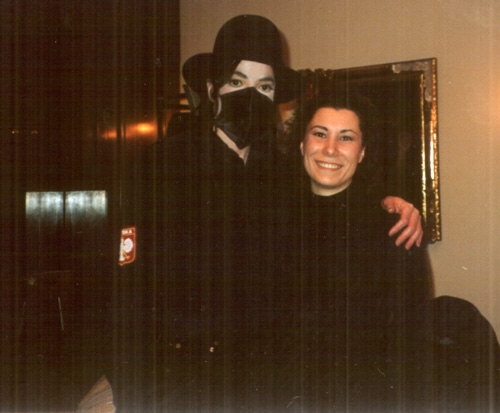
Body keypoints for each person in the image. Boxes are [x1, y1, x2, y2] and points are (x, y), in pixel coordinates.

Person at [108, 15, 427, 411]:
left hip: (261, 382)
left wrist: (390, 202)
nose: (250, 96)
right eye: (237, 82)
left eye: (264, 86)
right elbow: (126, 294)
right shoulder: (162, 166)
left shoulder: (281, 173)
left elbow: (334, 196)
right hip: (181, 380)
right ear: (212, 89)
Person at [269, 94, 500, 411]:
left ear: (362, 152)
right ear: (301, 143)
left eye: (346, 137)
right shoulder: (270, 220)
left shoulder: (394, 228)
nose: (330, 149)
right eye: (319, 133)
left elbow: (409, 341)